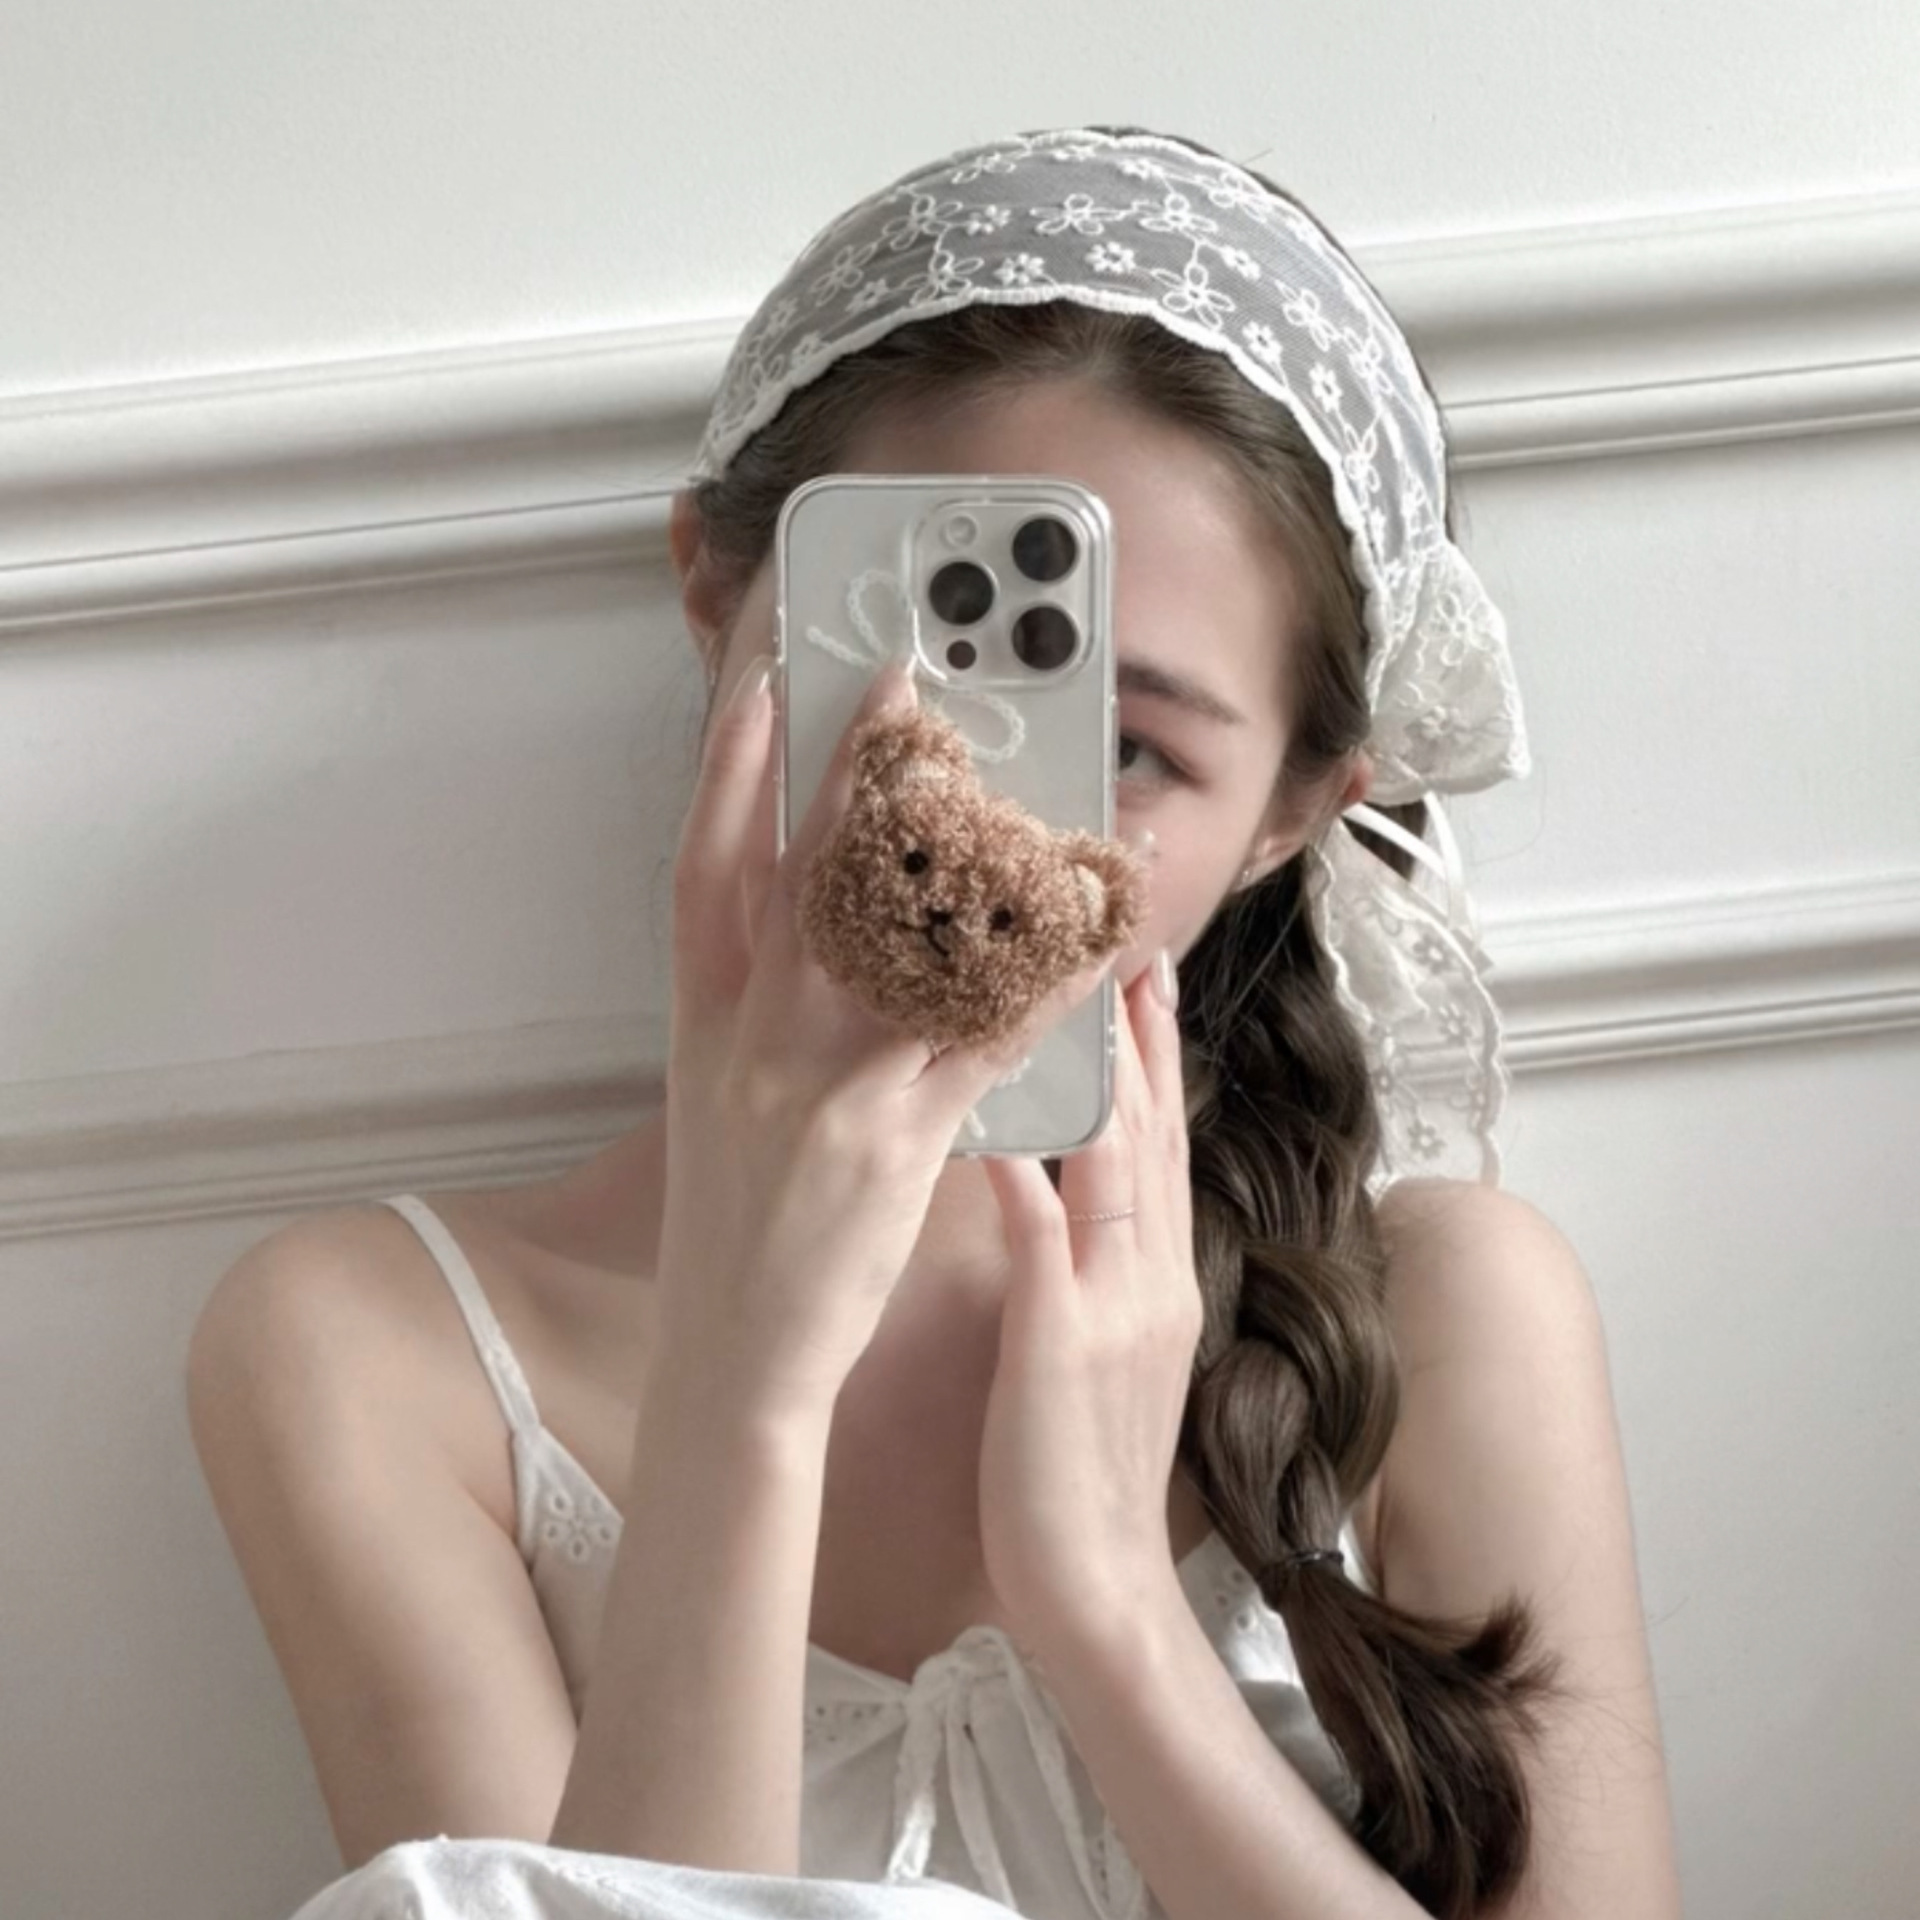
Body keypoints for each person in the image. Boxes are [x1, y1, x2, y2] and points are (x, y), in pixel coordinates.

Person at [186, 125, 1683, 1920]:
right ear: (715, 599)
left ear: (1293, 811)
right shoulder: (372, 1353)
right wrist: (742, 1381)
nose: (973, 815)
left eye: (1128, 747)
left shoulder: (1448, 1318)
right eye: (900, 677)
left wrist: (1110, 1611)